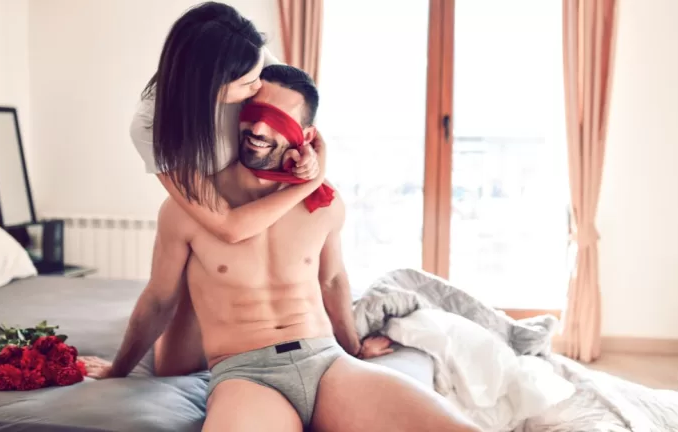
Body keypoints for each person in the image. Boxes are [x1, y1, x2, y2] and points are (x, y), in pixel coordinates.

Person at [84, 65, 481, 432]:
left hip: (325, 362)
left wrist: (354, 349)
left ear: (305, 136)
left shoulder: (323, 204)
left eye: (278, 120)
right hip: (245, 374)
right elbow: (159, 299)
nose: (259, 127)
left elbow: (332, 280)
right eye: (254, 113)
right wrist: (118, 369)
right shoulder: (190, 208)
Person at [131, 1, 326, 245]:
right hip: (219, 229)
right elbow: (228, 227)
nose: (258, 86)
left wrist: (312, 155)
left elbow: (299, 114)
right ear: (209, 87)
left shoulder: (248, 55)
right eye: (248, 84)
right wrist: (310, 184)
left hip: (274, 202)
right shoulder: (151, 128)